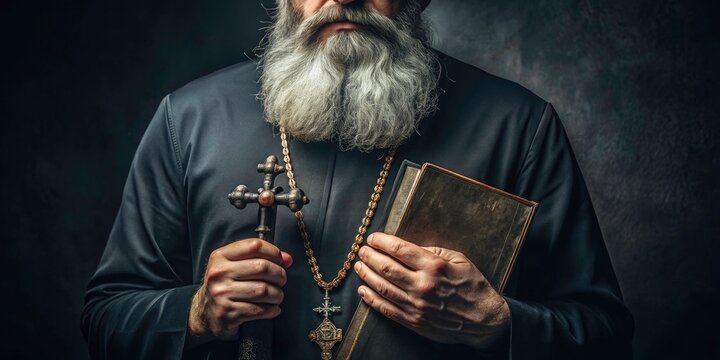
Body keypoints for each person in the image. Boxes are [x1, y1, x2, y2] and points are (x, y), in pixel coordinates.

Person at [81, 0, 634, 359]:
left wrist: (496, 323)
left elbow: (605, 335)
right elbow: (107, 317)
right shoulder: (189, 119)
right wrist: (195, 313)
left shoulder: (517, 125)